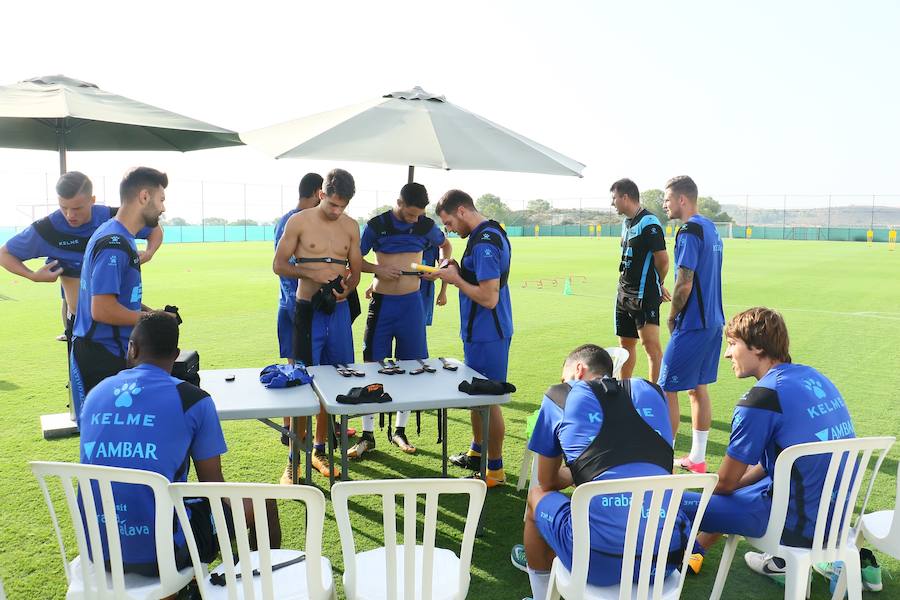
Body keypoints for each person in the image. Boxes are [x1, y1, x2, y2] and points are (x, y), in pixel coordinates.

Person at [78, 312, 279, 579]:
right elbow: (212, 486)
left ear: (132, 348)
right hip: (163, 550)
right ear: (176, 355)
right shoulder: (193, 400)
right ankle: (254, 584)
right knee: (263, 503)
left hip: (97, 546)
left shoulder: (97, 393)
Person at [679, 308, 866, 587]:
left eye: (732, 344)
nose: (727, 355)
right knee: (745, 485)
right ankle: (696, 551)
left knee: (669, 501)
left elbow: (726, 484)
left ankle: (661, 560)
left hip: (794, 525)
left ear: (756, 346)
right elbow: (771, 466)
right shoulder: (814, 376)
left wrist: (699, 486)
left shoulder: (761, 398)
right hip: (835, 517)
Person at [518, 344, 690, 600]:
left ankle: (541, 594)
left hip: (596, 562)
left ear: (578, 370)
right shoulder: (654, 393)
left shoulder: (560, 395)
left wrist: (580, 472)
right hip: (665, 560)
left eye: (564, 377)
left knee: (536, 496)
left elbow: (548, 481)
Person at [350, 182, 452, 458]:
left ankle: (399, 430)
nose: (413, 219)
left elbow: (446, 246)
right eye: (409, 214)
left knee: (411, 368)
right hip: (382, 304)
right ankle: (367, 435)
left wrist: (439, 268)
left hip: (412, 305)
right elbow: (354, 259)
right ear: (398, 202)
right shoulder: (376, 225)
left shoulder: (424, 225)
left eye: (418, 214)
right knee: (372, 367)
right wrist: (378, 269)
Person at [0, 171, 162, 345]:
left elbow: (154, 229)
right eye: (64, 207)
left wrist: (149, 252)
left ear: (92, 200)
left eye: (77, 208)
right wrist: (32, 275)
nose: (70, 215)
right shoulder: (47, 229)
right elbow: (5, 254)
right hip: (82, 328)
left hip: (120, 321)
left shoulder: (113, 217)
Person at [273, 168, 361, 481]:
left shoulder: (351, 227)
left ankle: (320, 450)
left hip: (336, 313)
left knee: (334, 383)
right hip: (305, 310)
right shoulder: (298, 221)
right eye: (332, 204)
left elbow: (357, 271)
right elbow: (278, 265)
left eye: (343, 206)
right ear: (321, 194)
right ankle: (293, 459)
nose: (337, 211)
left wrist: (345, 290)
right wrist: (312, 274)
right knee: (301, 384)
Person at [427, 189, 513, 488]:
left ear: (462, 210)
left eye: (449, 221)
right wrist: (454, 270)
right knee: (478, 398)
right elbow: (476, 279)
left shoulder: (486, 241)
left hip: (490, 333)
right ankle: (477, 453)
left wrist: (455, 279)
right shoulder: (480, 235)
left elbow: (489, 297)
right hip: (479, 332)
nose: (448, 229)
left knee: (488, 400)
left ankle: (495, 471)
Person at [70, 167, 169, 424]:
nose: (163, 208)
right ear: (144, 197)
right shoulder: (113, 242)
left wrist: (154, 314)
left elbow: (121, 301)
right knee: (103, 444)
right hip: (101, 357)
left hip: (112, 353)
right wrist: (152, 321)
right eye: (161, 199)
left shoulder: (116, 235)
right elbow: (102, 309)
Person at [658, 175, 724, 474]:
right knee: (697, 389)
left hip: (693, 323)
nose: (665, 204)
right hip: (714, 322)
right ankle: (697, 458)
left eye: (667, 199)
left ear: (682, 199)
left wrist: (672, 317)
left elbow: (684, 283)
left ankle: (662, 459)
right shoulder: (711, 228)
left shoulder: (688, 231)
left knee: (666, 389)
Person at [610, 178, 669, 382]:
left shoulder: (649, 223)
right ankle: (623, 393)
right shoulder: (627, 222)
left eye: (614, 198)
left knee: (651, 347)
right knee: (625, 346)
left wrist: (658, 284)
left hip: (644, 295)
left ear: (625, 197)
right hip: (623, 294)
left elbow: (662, 260)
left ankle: (656, 396)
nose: (613, 203)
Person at [419, 240, 449, 326]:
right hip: (401, 290)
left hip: (424, 291)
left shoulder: (431, 237)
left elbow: (446, 246)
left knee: (420, 327)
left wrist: (443, 292)